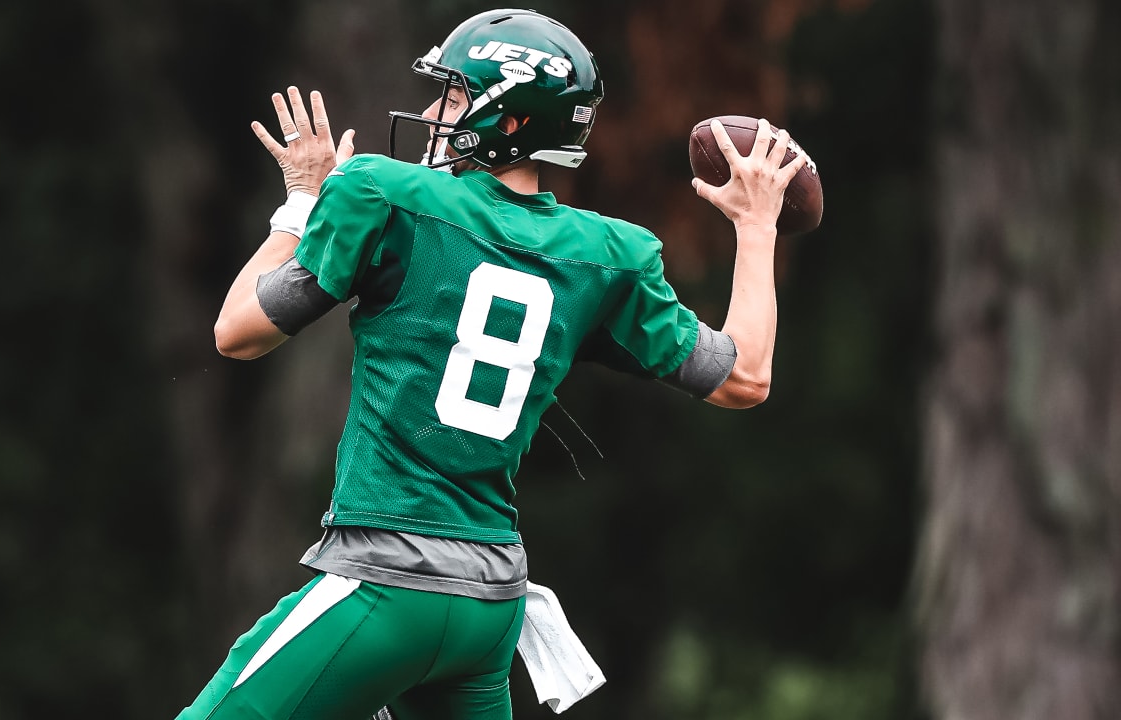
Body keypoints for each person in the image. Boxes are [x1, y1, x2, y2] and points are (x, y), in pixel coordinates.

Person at [179, 8, 806, 720]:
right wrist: (756, 228)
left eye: (449, 96)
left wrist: (300, 201)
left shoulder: (383, 195)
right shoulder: (606, 256)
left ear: (507, 120)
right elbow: (745, 376)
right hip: (488, 610)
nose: (429, 113)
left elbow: (237, 332)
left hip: (386, 584)